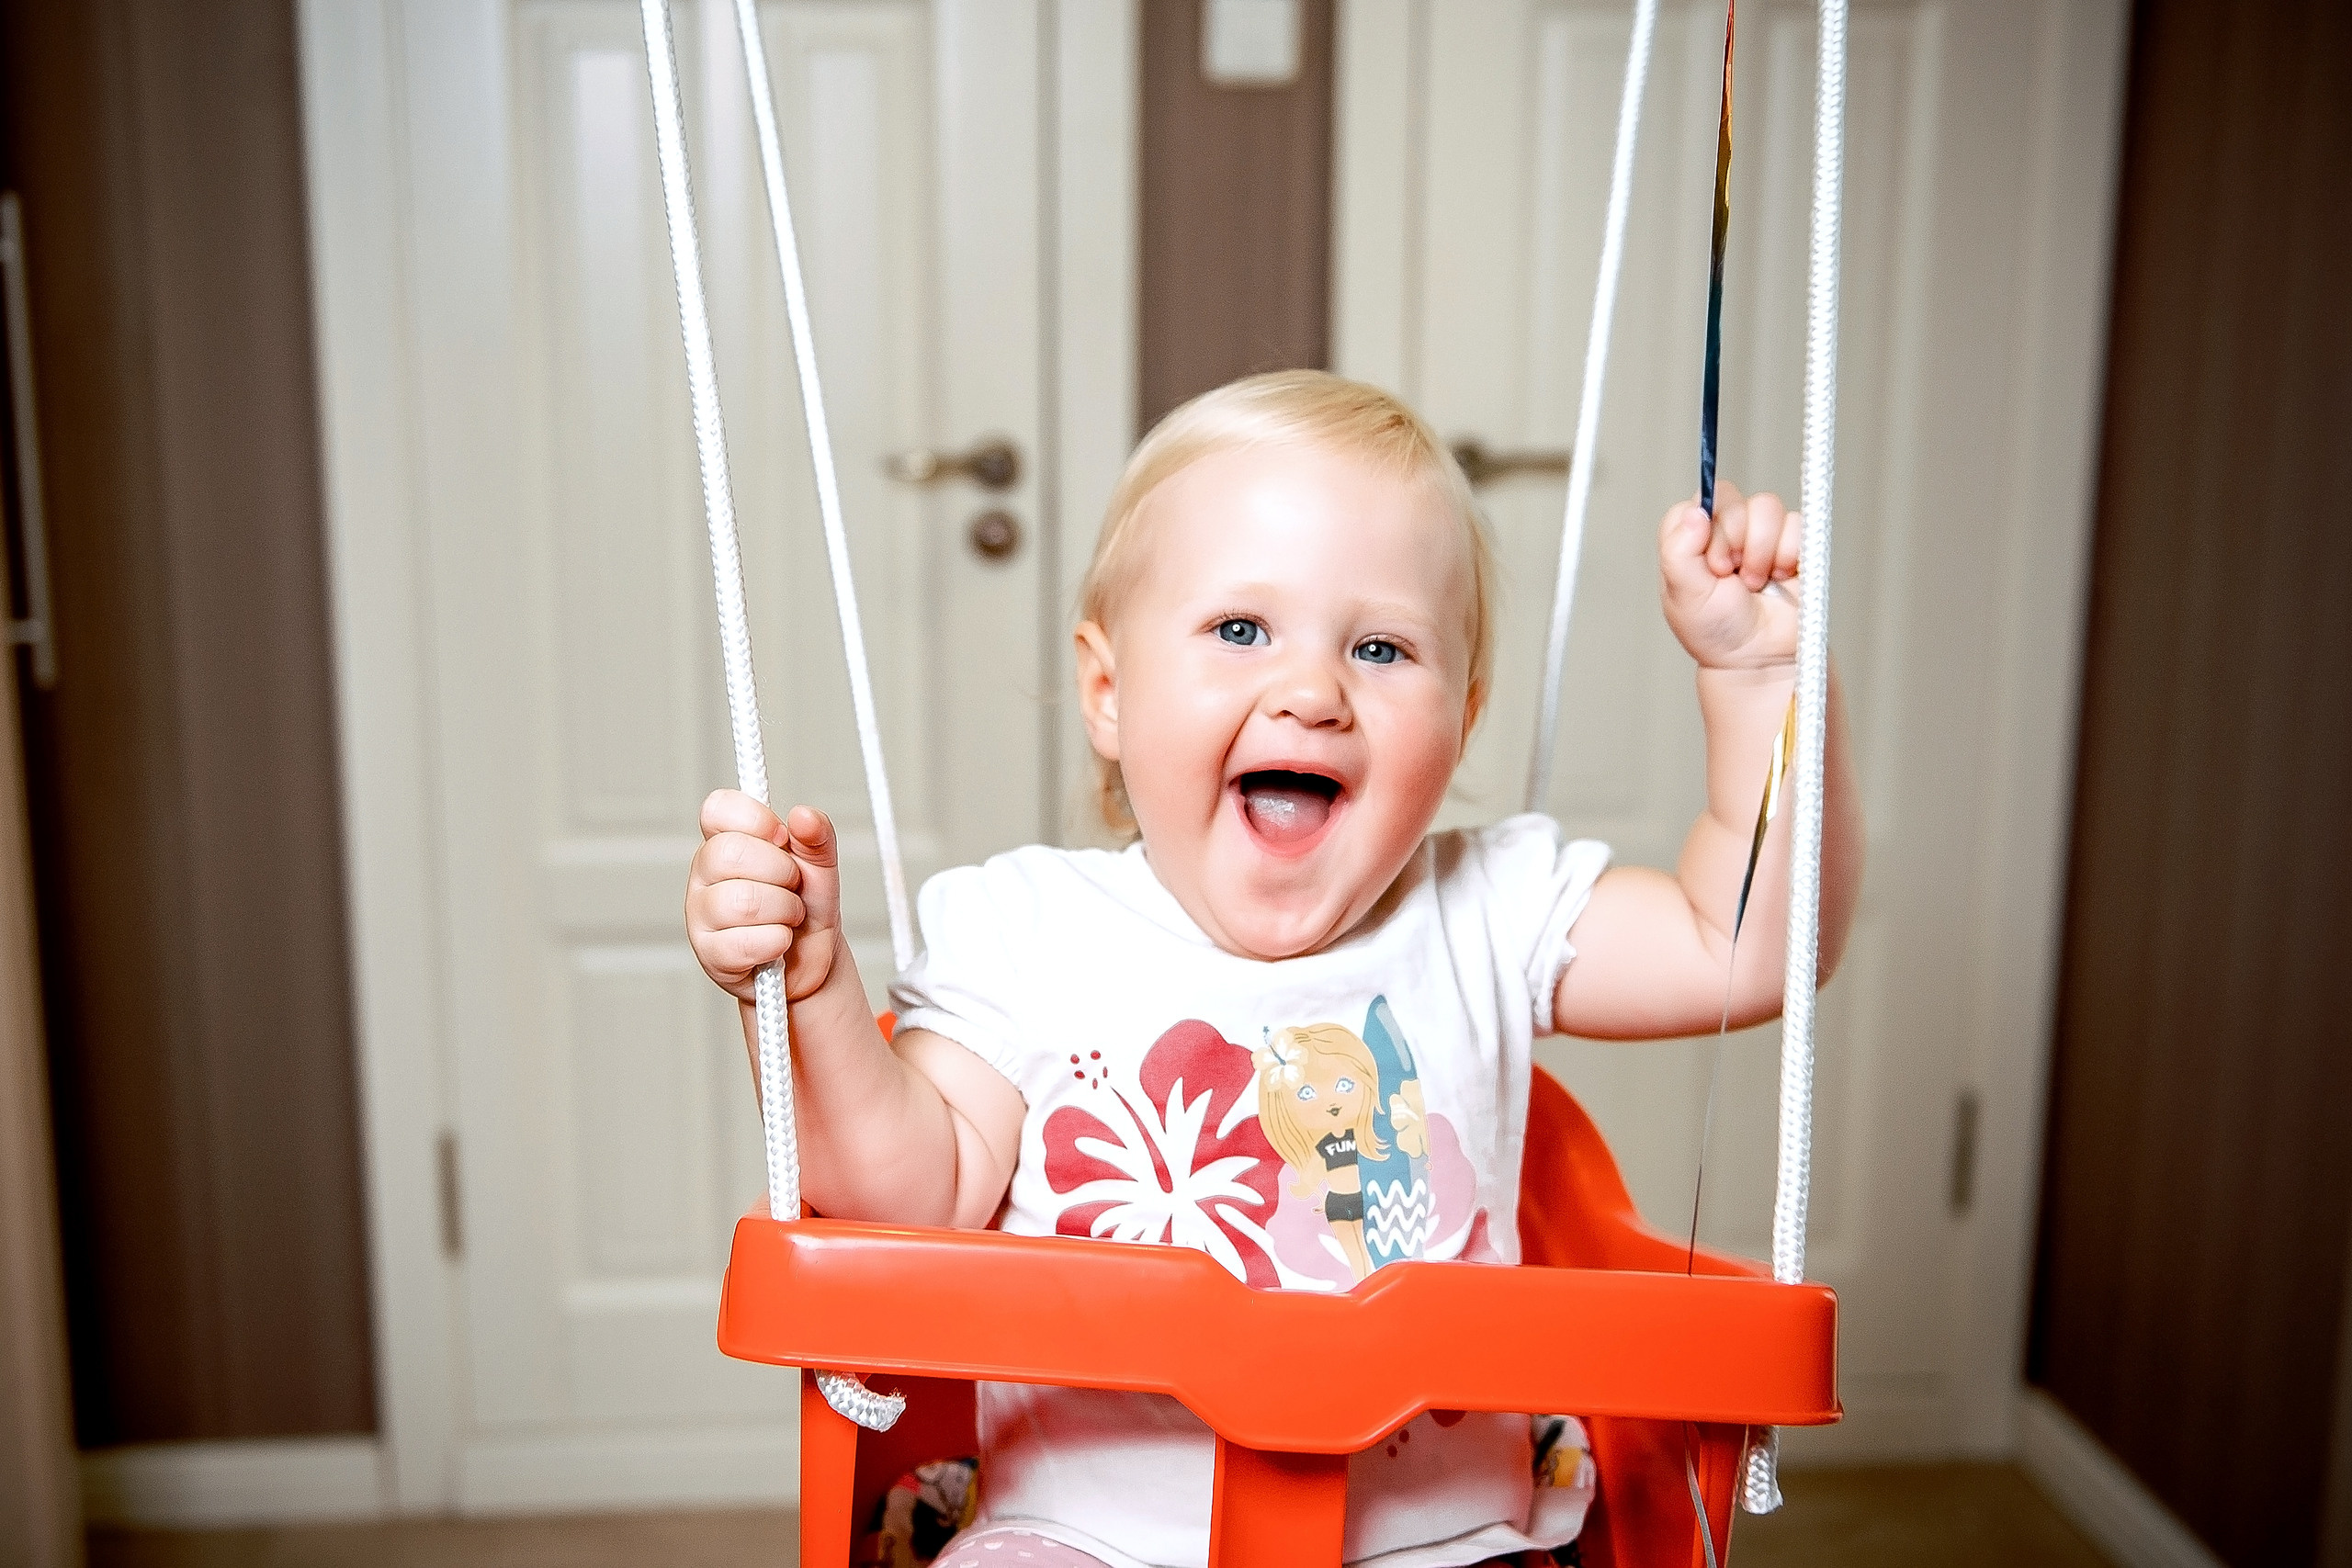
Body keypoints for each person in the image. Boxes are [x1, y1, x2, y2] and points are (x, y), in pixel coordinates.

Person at [684, 370, 1860, 1568]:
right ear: (1108, 689)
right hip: (1081, 1542)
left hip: (1447, 1545)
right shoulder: (1024, 930)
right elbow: (906, 1200)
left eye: (1384, 647)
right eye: (1241, 629)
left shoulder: (1490, 913)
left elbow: (1746, 942)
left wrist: (1759, 682)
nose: (1312, 691)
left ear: (1464, 711)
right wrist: (812, 989)